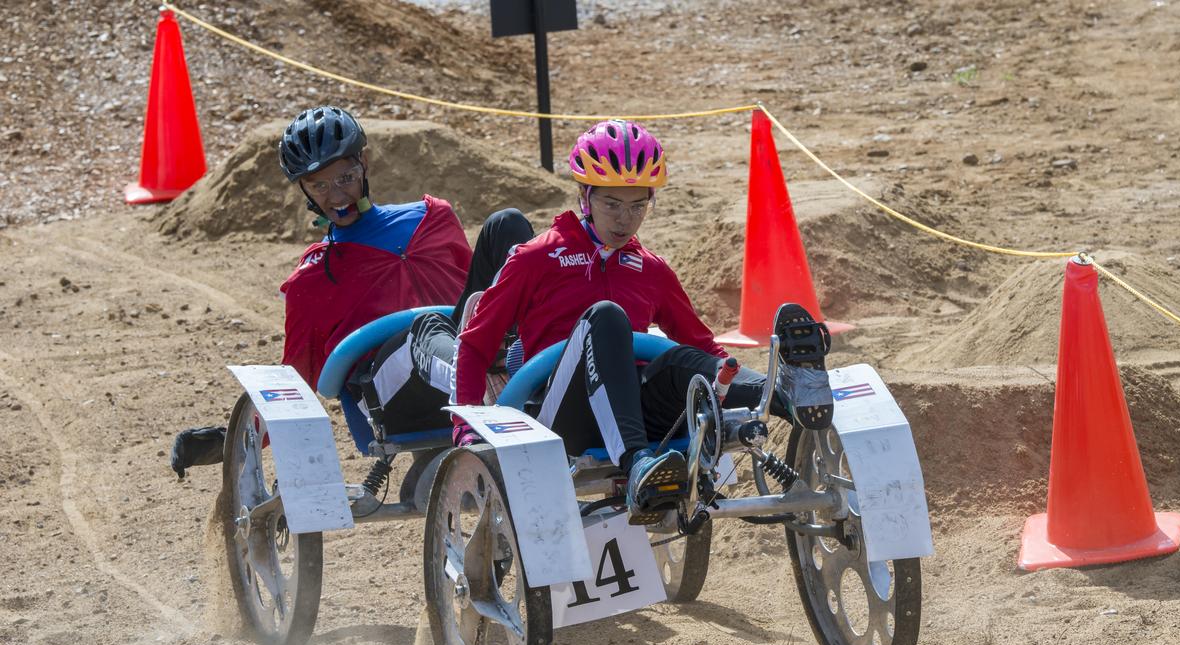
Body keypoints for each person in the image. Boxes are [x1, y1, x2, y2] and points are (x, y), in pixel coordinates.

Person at [451, 119, 834, 525]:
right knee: (607, 318)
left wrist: (729, 377)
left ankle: (784, 391)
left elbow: (704, 349)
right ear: (585, 196)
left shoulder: (650, 269)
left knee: (680, 363)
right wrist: (465, 426)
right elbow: (474, 344)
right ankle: (638, 465)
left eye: (638, 206)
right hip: (563, 416)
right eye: (611, 205)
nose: (624, 220)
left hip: (636, 405)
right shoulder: (535, 258)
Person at [171, 105, 533, 476]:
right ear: (304, 189)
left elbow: (471, 294)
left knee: (507, 224)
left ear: (365, 164)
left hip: (463, 343)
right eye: (320, 186)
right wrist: (230, 439)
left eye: (345, 177)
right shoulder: (311, 277)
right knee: (425, 326)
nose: (336, 195)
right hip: (390, 395)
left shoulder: (433, 217)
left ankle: (523, 361)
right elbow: (298, 376)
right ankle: (481, 380)